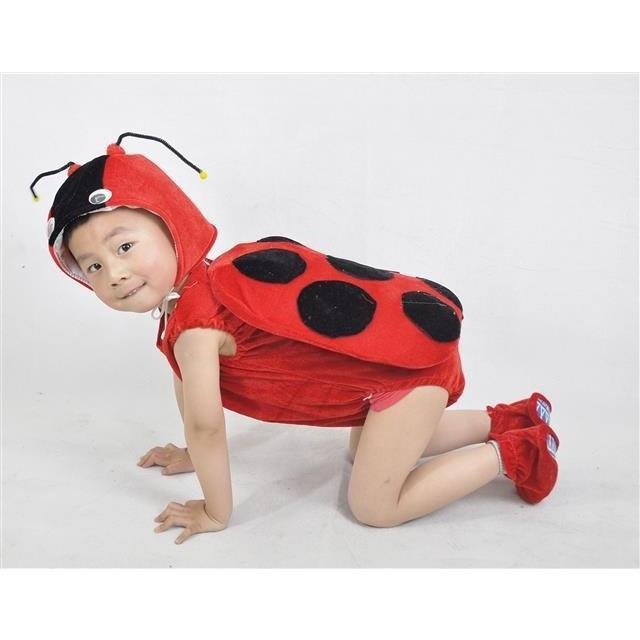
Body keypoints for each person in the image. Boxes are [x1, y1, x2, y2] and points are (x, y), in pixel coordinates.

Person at [34, 132, 560, 545]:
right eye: (93, 266)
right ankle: (510, 417)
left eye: (125, 247)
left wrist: (215, 510)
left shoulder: (196, 326)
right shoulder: (189, 299)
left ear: (173, 227)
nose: (115, 274)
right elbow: (188, 390)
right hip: (386, 382)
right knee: (364, 449)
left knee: (375, 506)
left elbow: (207, 424)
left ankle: (517, 451)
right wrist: (191, 452)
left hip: (407, 376)